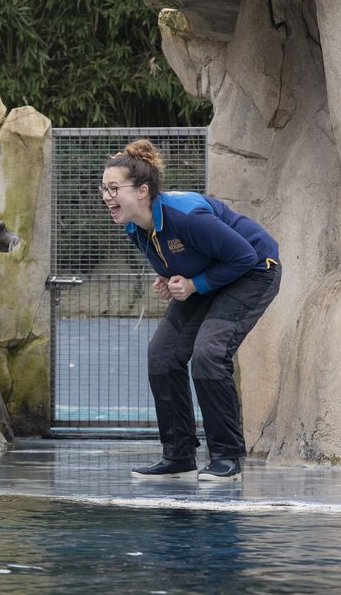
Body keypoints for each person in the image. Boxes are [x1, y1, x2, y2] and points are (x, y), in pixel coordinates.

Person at [100, 139, 281, 481]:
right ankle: (179, 455)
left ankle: (227, 458)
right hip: (213, 275)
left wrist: (195, 285)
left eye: (114, 188)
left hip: (255, 271)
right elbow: (176, 256)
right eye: (103, 188)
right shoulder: (134, 226)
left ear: (142, 191)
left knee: (209, 353)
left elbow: (243, 256)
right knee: (162, 354)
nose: (106, 196)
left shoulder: (185, 215)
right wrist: (168, 278)